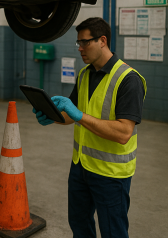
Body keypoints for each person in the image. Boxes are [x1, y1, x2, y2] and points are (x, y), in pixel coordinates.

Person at [33, 17, 146, 238]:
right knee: (79, 224)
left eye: (85, 42)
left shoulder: (128, 80)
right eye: (78, 43)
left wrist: (78, 115)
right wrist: (53, 116)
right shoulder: (85, 73)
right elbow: (71, 115)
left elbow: (124, 133)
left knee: (113, 232)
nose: (80, 49)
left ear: (102, 41)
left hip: (111, 175)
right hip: (81, 167)